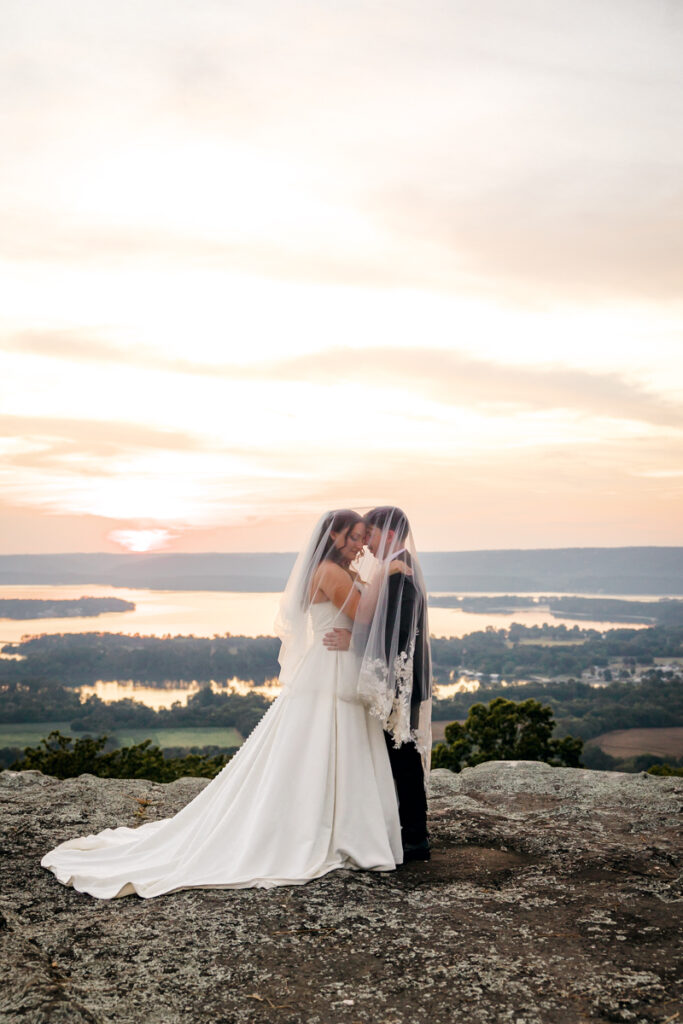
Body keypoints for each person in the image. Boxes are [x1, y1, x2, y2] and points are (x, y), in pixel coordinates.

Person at [40, 510, 402, 898]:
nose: (360, 544)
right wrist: (384, 574)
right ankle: (325, 828)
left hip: (338, 668)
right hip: (329, 671)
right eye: (353, 537)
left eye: (364, 537)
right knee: (322, 744)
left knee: (340, 746)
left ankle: (343, 823)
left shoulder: (342, 570)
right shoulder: (331, 572)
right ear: (333, 535)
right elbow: (363, 618)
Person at [323, 506, 432, 861]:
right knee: (397, 755)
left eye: (369, 535)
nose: (366, 544)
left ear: (387, 533)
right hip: (395, 678)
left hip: (396, 680)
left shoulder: (400, 573)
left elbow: (396, 633)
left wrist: (351, 641)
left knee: (402, 756)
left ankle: (415, 837)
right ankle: (403, 831)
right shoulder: (397, 567)